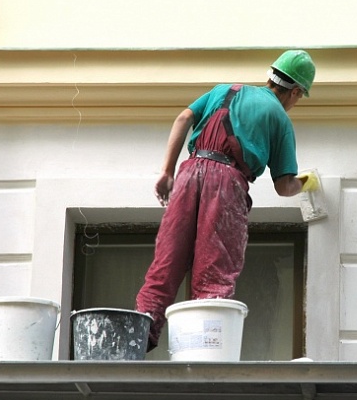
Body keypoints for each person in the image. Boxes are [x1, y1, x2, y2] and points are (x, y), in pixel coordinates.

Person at [136, 50, 319, 351]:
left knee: (167, 262)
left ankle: (138, 337)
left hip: (188, 173)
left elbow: (183, 118)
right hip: (226, 183)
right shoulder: (279, 118)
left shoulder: (224, 90)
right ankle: (203, 351)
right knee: (214, 271)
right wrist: (307, 182)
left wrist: (167, 172)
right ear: (296, 91)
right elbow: (284, 187)